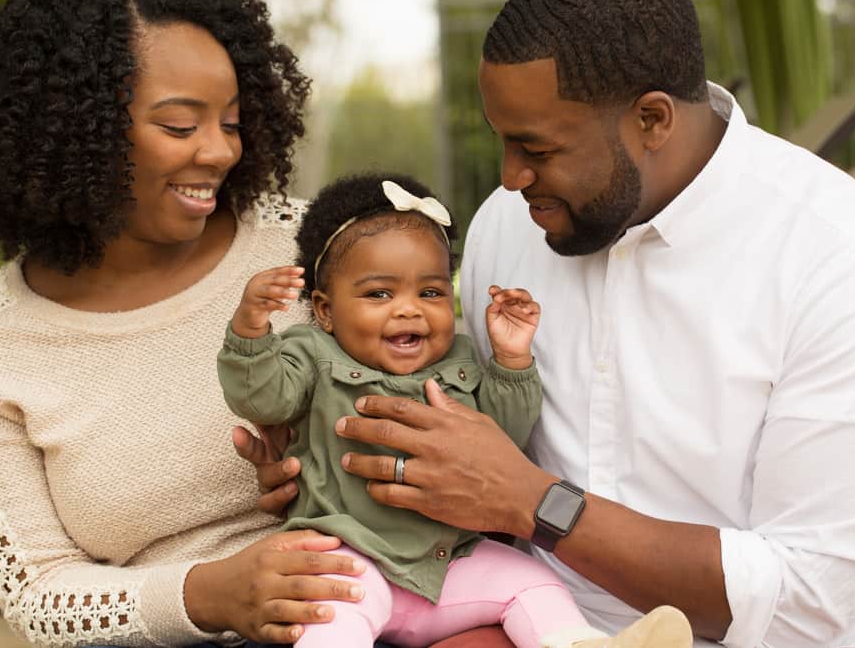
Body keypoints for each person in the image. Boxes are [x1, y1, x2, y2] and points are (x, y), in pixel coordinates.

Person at [242, 0, 855, 646]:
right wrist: (331, 456)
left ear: (652, 119)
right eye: (503, 141)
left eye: (538, 148)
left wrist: (536, 502)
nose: (510, 176)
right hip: (545, 618)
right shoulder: (505, 228)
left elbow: (810, 596)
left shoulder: (845, 256)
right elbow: (472, 437)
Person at [0, 0, 396, 645]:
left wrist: (336, 451)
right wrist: (209, 592)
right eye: (181, 126)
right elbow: (38, 591)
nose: (220, 151)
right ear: (77, 130)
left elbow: (441, 391)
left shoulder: (322, 246)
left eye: (233, 121)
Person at [217, 171, 637, 648]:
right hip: (350, 559)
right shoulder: (312, 354)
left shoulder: (458, 362)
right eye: (379, 294)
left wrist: (512, 360)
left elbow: (508, 434)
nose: (409, 309)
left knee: (533, 585)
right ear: (326, 310)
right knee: (329, 620)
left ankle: (581, 644)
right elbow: (263, 398)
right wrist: (251, 332)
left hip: (449, 564)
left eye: (431, 292)